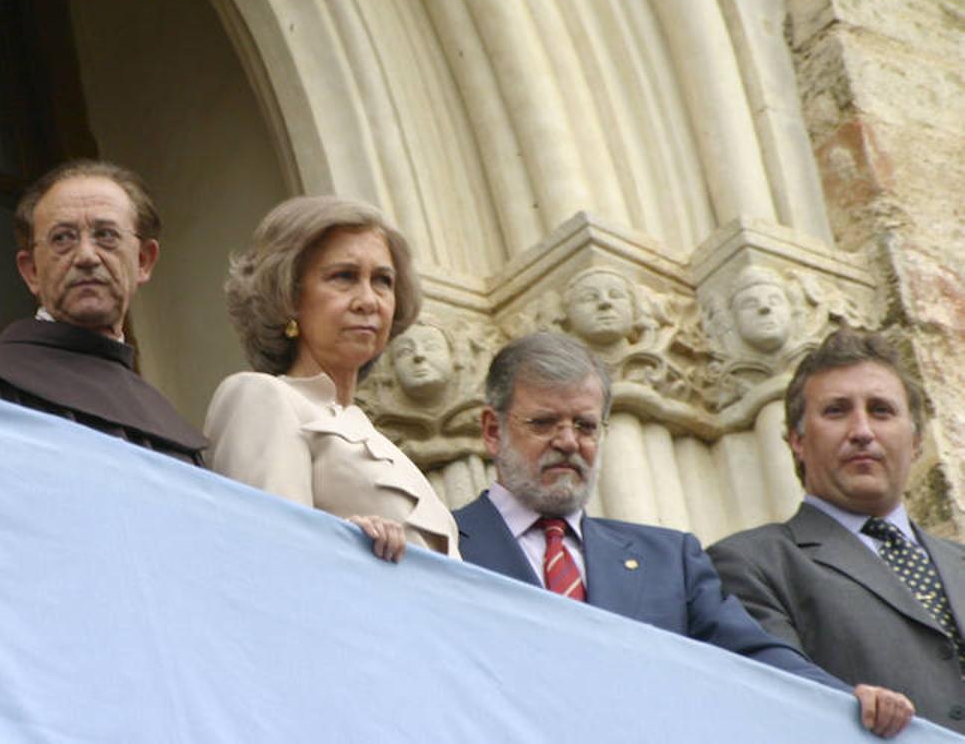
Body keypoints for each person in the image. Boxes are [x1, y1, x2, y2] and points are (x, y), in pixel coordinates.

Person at [455, 331, 915, 738]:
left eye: (586, 425)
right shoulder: (439, 542)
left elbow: (757, 659)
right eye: (543, 423)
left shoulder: (668, 559)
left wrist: (847, 703)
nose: (569, 441)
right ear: (493, 431)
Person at [710, 329, 965, 733]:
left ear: (916, 441)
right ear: (797, 440)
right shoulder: (749, 564)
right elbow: (775, 699)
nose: (862, 430)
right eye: (836, 411)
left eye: (881, 410)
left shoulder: (959, 563)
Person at [204, 195, 459, 562]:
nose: (369, 300)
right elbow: (272, 558)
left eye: (383, 281)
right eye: (344, 277)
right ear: (288, 296)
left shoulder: (383, 443)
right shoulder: (260, 397)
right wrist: (344, 545)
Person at [0, 160, 205, 465]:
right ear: (31, 271)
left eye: (106, 235)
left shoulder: (170, 431)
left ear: (144, 261)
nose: (87, 256)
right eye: (62, 238)